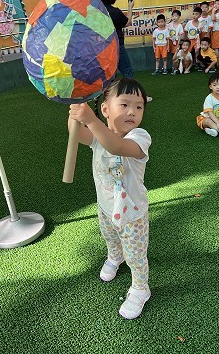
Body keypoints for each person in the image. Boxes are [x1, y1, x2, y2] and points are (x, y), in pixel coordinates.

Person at [68, 77, 152, 320]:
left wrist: (90, 120)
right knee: (110, 237)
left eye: (139, 107)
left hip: (132, 213)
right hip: (106, 207)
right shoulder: (98, 136)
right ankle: (115, 256)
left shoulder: (139, 137)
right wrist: (75, 111)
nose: (132, 111)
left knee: (136, 255)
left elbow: (116, 147)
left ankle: (140, 288)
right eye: (124, 104)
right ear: (105, 109)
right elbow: (76, 134)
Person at [99, 0, 152, 101]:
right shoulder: (114, 12)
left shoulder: (96, 9)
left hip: (102, 48)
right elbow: (127, 22)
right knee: (127, 73)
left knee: (109, 76)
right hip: (117, 47)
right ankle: (135, 97)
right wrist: (130, 7)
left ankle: (108, 99)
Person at [166, 9, 184, 74]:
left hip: (176, 42)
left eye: (176, 16)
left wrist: (178, 44)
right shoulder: (169, 25)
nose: (174, 17)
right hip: (169, 41)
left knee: (175, 55)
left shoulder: (180, 26)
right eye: (173, 16)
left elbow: (180, 36)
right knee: (169, 54)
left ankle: (175, 67)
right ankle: (170, 67)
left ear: (179, 17)